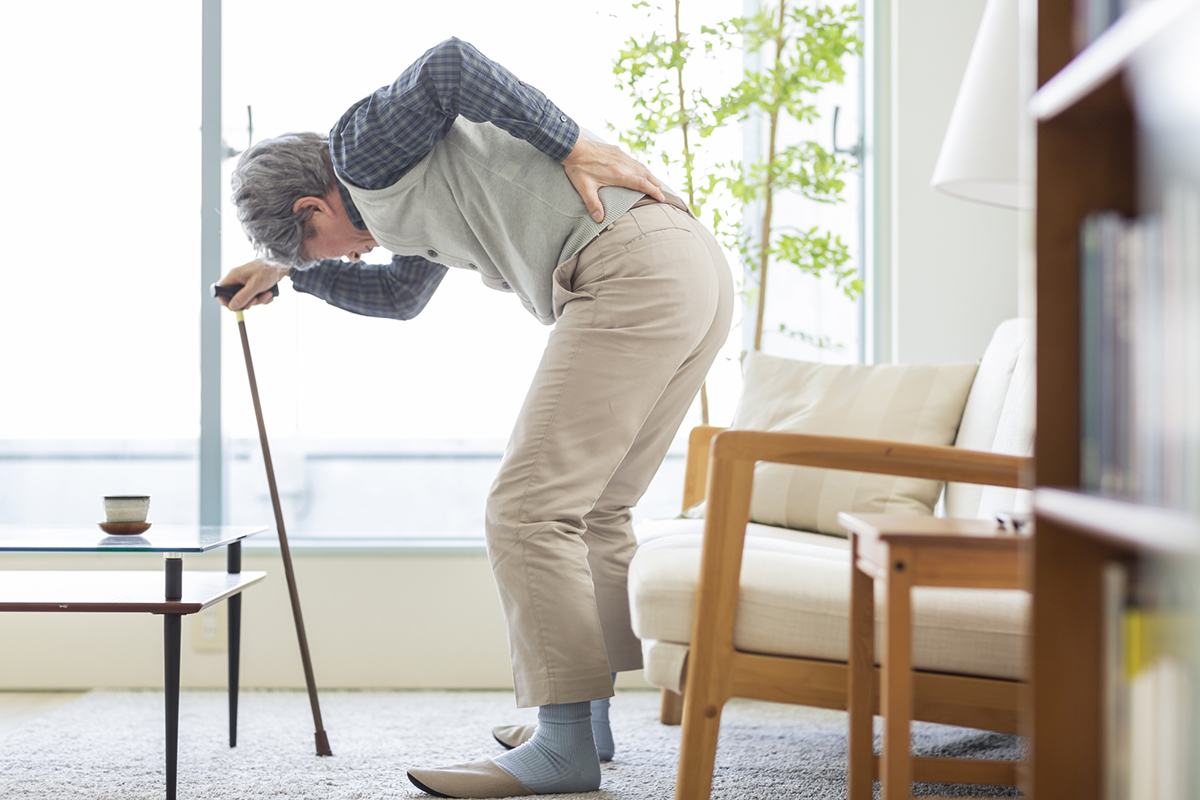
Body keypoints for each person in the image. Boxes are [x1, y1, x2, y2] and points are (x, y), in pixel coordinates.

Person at [219, 38, 733, 798]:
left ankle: (562, 752)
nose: (344, 258)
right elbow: (400, 297)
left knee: (527, 511)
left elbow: (449, 66)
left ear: (312, 206)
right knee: (594, 509)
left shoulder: (363, 151)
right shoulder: (401, 197)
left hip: (630, 270)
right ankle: (585, 722)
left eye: (315, 242)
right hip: (687, 269)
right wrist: (293, 275)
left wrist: (573, 143)